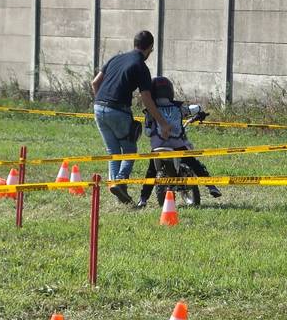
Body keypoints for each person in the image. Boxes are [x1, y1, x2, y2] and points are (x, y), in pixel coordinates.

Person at [91, 30, 171, 205]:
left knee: (113, 152)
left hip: (98, 107)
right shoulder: (140, 66)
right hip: (118, 110)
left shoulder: (116, 58)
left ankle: (117, 187)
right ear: (150, 48)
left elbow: (95, 83)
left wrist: (102, 103)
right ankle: (120, 180)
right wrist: (162, 123)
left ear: (134, 43)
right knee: (130, 151)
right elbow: (146, 98)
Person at [136, 76, 221, 208]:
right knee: (194, 163)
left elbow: (147, 132)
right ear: (170, 91)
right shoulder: (179, 108)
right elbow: (195, 108)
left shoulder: (150, 111)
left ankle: (143, 199)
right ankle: (211, 186)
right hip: (178, 146)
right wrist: (199, 110)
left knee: (151, 172)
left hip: (158, 148)